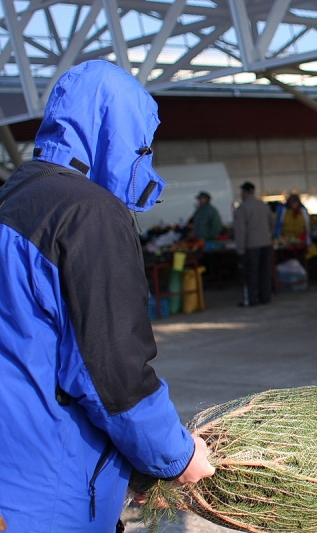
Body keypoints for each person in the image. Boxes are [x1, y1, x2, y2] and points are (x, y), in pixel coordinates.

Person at [0, 60, 215, 533]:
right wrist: (175, 457)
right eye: (141, 145)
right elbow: (113, 376)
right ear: (116, 133)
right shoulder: (87, 214)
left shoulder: (13, 198)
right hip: (49, 493)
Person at [235, 181, 273, 306]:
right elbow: (271, 223)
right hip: (265, 244)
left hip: (251, 246)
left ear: (244, 192)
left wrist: (240, 249)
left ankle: (253, 299)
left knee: (252, 273)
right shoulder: (263, 205)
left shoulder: (243, 208)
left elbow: (240, 230)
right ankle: (265, 297)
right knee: (265, 272)